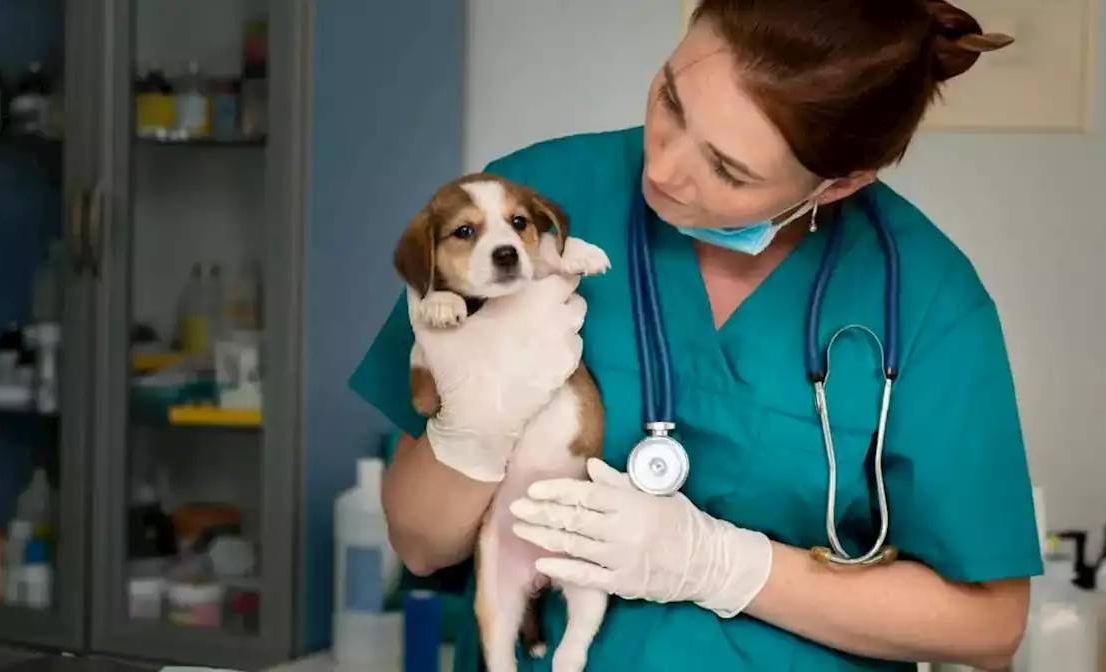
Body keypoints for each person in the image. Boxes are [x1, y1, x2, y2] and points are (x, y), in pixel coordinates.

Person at [349, 0, 1041, 670]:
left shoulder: (923, 295)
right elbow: (418, 541)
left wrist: (721, 565)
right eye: (670, 101)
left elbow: (988, 624)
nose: (663, 169)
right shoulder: (532, 203)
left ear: (838, 185)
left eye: (728, 169)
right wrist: (471, 429)